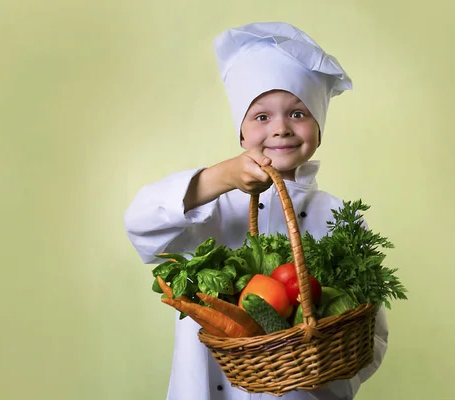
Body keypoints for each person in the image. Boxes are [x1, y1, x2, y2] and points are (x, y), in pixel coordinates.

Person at [124, 21, 389, 400]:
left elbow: (371, 331)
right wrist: (220, 177)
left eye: (298, 113)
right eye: (262, 116)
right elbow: (139, 223)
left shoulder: (340, 217)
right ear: (242, 133)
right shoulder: (209, 205)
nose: (280, 129)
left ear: (319, 126)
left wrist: (326, 377)